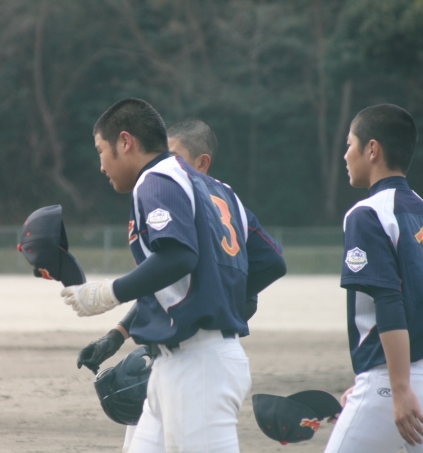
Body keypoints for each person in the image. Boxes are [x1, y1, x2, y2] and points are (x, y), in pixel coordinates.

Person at [61, 99, 285, 452]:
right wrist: (218, 296)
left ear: (125, 142)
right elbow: (271, 261)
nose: (100, 164)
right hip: (183, 363)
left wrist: (110, 292)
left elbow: (179, 256)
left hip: (198, 366)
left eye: (101, 150)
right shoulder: (219, 188)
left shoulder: (156, 178)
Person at [324, 104, 423, 453]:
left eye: (349, 144)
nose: (345, 155)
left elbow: (388, 300)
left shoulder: (367, 214)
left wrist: (395, 387)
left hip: (391, 380)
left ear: (372, 149)